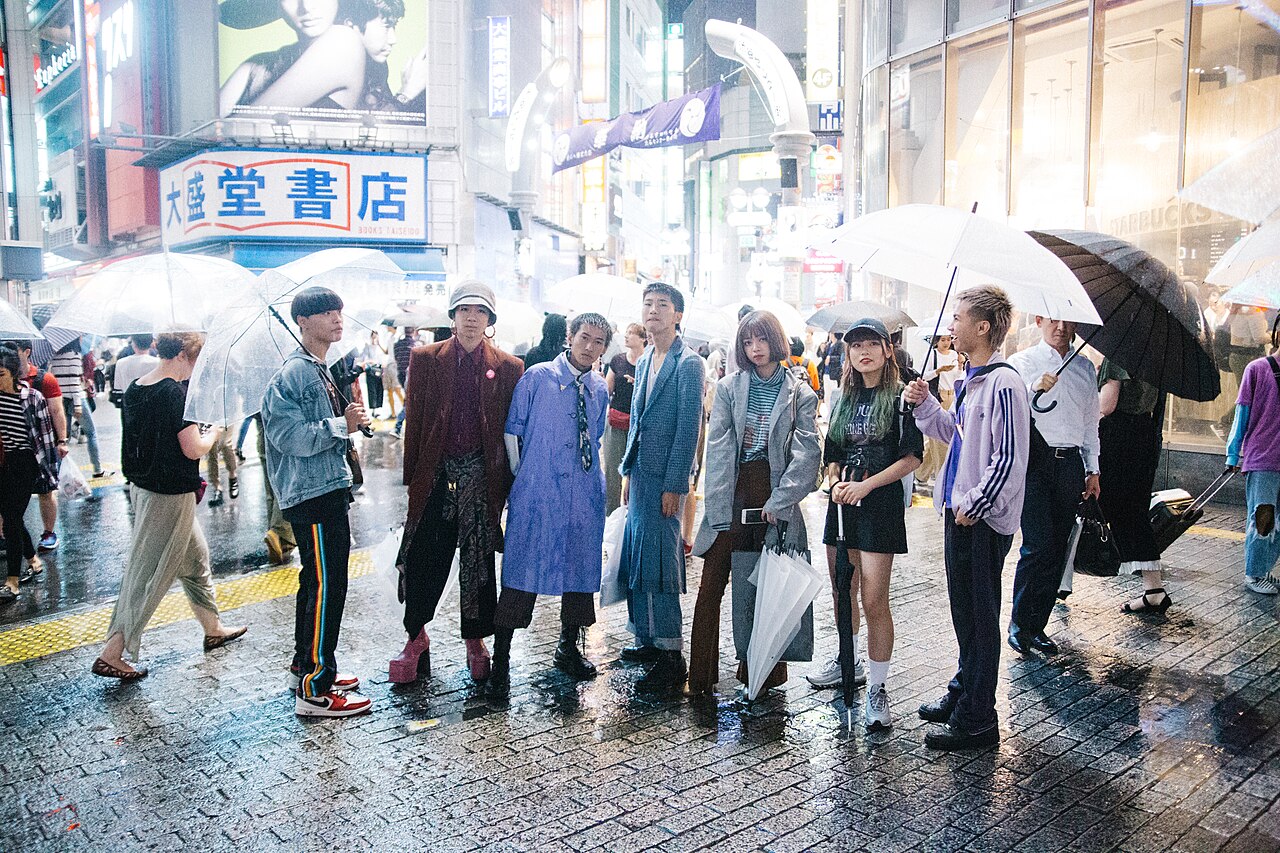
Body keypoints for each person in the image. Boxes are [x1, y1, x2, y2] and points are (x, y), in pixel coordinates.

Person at [905, 285, 1030, 750]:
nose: (951, 326)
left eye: (959, 318)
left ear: (982, 327)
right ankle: (964, 693)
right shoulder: (972, 380)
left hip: (978, 519)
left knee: (979, 616)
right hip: (957, 512)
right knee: (964, 613)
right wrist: (925, 405)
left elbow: (1010, 457)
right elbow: (952, 437)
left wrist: (974, 505)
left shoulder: (1005, 383)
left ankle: (979, 718)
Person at [91, 333, 246, 679]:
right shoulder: (173, 394)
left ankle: (213, 626)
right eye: (198, 360)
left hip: (145, 488)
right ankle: (112, 652)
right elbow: (193, 449)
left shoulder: (137, 388)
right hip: (169, 496)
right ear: (184, 356)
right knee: (149, 574)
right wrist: (214, 432)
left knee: (195, 559)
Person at [392, 281, 523, 685]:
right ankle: (416, 636)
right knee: (423, 559)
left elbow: (512, 432)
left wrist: (507, 488)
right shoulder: (426, 359)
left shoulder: (509, 367)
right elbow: (414, 424)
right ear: (452, 317)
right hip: (435, 477)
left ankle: (475, 641)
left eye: (479, 312)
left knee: (479, 564)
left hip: (482, 481)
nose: (471, 318)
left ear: (490, 321)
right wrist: (412, 481)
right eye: (464, 310)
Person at [688, 311, 821, 696]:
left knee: (768, 584)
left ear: (776, 342)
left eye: (762, 340)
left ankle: (761, 675)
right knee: (711, 582)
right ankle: (700, 677)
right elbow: (718, 449)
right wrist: (717, 507)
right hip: (733, 488)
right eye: (747, 342)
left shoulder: (800, 393)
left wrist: (781, 501)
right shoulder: (730, 387)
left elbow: (807, 454)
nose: (755, 349)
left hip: (775, 490)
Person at [261, 288, 373, 717]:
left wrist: (348, 422)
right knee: (329, 585)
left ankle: (305, 667)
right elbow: (287, 437)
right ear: (303, 322)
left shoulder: (318, 369)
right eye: (326, 313)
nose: (337, 319)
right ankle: (315, 690)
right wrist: (338, 425)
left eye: (339, 311)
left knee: (316, 582)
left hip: (323, 488)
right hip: (313, 493)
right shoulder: (296, 373)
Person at [806, 319, 922, 729]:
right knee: (842, 591)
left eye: (873, 344)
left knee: (874, 600)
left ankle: (877, 687)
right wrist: (835, 478)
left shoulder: (901, 396)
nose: (864, 352)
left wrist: (867, 486)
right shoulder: (843, 398)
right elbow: (832, 451)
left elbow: (911, 458)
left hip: (879, 504)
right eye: (856, 346)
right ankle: (846, 659)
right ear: (848, 354)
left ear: (888, 350)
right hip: (843, 505)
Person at [488, 313, 612, 695]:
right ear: (569, 337)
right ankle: (501, 659)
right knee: (522, 570)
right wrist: (523, 479)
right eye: (584, 338)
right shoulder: (538, 377)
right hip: (538, 490)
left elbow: (598, 436)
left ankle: (568, 647)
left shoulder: (599, 388)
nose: (589, 347)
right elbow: (513, 433)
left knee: (578, 570)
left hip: (583, 492)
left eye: (598, 342)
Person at [616, 283, 705, 690]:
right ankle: (646, 638)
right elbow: (636, 421)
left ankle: (671, 654)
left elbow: (688, 429)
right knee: (638, 555)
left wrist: (676, 485)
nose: (653, 310)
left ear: (678, 315)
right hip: (639, 475)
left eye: (663, 305)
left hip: (665, 479)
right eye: (648, 304)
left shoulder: (689, 363)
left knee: (662, 561)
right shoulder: (648, 354)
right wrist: (626, 471)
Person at [1006, 316, 1101, 655]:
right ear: (1039, 320)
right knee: (1038, 545)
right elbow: (1010, 412)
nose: (1060, 327)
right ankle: (1019, 623)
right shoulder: (1022, 363)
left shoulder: (1086, 368)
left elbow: (1091, 422)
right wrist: (1034, 388)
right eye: (1053, 320)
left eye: (1067, 321)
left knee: (1059, 548)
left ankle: (1037, 625)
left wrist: (1093, 470)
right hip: (1034, 462)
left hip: (1071, 463)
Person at [1097, 358, 1169, 614]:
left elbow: (1107, 405)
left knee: (1089, 504)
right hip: (1144, 435)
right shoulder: (1157, 357)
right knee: (1134, 514)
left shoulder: (1119, 355)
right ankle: (1154, 589)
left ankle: (1058, 581)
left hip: (1117, 438)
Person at [218, 0, 367, 115]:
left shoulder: (343, 41)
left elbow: (244, 126)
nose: (307, 7)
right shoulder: (257, 65)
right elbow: (208, 131)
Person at [0, 346, 61, 601]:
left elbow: (46, 440)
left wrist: (49, 474)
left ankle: (12, 580)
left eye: (1, 373)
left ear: (13, 373)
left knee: (12, 518)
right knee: (10, 515)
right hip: (4, 461)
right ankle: (33, 560)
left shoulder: (33, 397)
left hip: (28, 462)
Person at [1227, 312, 1280, 594]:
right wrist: (1233, 454)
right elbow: (1242, 414)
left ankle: (1265, 568)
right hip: (1263, 459)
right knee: (1263, 517)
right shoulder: (1257, 369)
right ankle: (1254, 572)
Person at [3, 340, 67, 552]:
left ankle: (48, 532)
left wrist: (62, 440)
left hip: (40, 446)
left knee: (45, 490)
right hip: (9, 450)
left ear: (27, 352)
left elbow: (57, 411)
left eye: (15, 351)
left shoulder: (43, 380)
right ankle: (8, 537)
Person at [341, 0, 428, 112]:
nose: (393, 39)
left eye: (394, 26)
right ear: (351, 25)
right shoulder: (338, 65)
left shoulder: (377, 66)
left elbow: (378, 116)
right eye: (386, 26)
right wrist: (407, 93)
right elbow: (368, 123)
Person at [604, 323, 645, 513]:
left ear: (643, 338)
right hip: (616, 420)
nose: (627, 337)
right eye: (626, 333)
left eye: (631, 334)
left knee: (636, 473)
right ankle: (611, 513)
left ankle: (631, 512)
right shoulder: (618, 360)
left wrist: (639, 385)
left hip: (639, 425)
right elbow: (607, 389)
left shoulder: (649, 362)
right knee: (612, 471)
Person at [51, 340, 107, 478]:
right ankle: (97, 469)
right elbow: (73, 383)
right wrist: (77, 405)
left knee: (62, 438)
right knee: (91, 433)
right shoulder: (74, 355)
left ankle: (58, 473)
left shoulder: (54, 356)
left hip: (60, 399)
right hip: (76, 399)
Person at [917, 333, 960, 483]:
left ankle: (920, 472)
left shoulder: (955, 354)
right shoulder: (931, 355)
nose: (946, 343)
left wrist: (960, 366)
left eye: (949, 339)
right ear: (937, 341)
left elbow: (957, 376)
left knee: (936, 441)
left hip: (952, 395)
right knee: (939, 441)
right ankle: (943, 474)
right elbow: (922, 376)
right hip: (938, 396)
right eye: (943, 340)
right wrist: (938, 371)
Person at [112, 334, 159, 408]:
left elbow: (118, 387)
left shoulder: (121, 363)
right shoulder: (158, 363)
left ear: (133, 344)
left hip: (128, 405)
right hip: (151, 404)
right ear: (151, 343)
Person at [391, 325, 416, 437]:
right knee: (410, 402)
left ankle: (402, 426)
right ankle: (398, 427)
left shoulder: (397, 345)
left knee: (409, 400)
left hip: (400, 373)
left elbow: (396, 358)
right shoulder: (415, 346)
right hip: (411, 374)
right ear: (413, 331)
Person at [358, 330, 386, 415]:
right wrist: (369, 361)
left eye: (376, 336)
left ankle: (378, 408)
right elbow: (363, 358)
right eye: (373, 337)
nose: (374, 338)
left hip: (379, 368)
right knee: (372, 389)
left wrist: (379, 344)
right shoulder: (368, 346)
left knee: (379, 389)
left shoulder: (380, 347)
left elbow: (385, 355)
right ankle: (374, 410)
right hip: (371, 369)